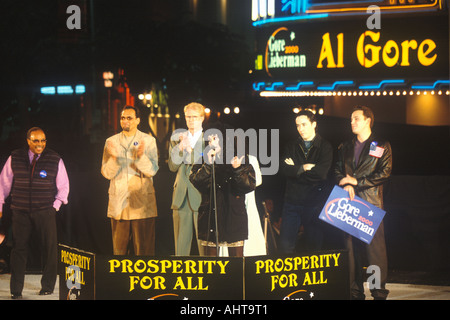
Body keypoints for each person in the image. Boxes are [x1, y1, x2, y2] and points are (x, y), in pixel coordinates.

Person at [0, 127, 69, 299]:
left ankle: (47, 286)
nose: (40, 144)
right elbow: (3, 184)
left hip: (45, 211)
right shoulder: (15, 157)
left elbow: (64, 186)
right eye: (36, 140)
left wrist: (55, 206)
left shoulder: (54, 159)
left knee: (49, 249)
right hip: (20, 211)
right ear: (28, 141)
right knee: (18, 250)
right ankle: (16, 290)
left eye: (43, 140)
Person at [334, 105, 392, 300]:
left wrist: (356, 181)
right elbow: (338, 171)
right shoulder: (345, 147)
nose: (352, 122)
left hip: (370, 205)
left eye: (356, 118)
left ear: (368, 120)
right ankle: (354, 292)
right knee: (351, 251)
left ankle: (377, 292)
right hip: (349, 203)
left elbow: (383, 173)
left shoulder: (380, 145)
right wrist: (346, 184)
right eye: (351, 119)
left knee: (374, 253)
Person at [101, 105, 159, 256]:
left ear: (138, 120)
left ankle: (145, 278)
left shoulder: (148, 140)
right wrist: (114, 158)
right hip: (119, 204)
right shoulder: (111, 142)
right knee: (118, 252)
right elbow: (106, 173)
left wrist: (140, 157)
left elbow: (152, 170)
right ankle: (120, 280)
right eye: (123, 118)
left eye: (129, 118)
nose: (125, 121)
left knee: (144, 252)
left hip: (142, 204)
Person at [189, 128, 256, 257]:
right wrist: (208, 164)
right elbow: (196, 181)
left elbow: (249, 185)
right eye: (209, 138)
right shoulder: (204, 158)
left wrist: (238, 170)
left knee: (236, 264)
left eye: (215, 138)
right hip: (210, 215)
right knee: (210, 264)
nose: (212, 141)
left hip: (233, 215)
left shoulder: (239, 157)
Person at [279, 110, 333, 253]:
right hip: (292, 202)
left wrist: (296, 170)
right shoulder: (291, 146)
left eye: (304, 124)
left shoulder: (325, 147)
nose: (300, 129)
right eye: (297, 125)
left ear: (314, 124)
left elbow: (321, 174)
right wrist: (304, 167)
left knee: (313, 249)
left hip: (314, 203)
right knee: (285, 247)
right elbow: (284, 169)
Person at [168, 102, 206, 256]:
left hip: (201, 196)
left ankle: (208, 276)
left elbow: (207, 164)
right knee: (181, 246)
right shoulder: (177, 139)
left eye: (195, 117)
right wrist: (180, 148)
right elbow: (172, 166)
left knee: (204, 245)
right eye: (188, 117)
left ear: (202, 118)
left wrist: (190, 152)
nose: (191, 120)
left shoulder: (209, 139)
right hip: (181, 196)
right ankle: (180, 274)